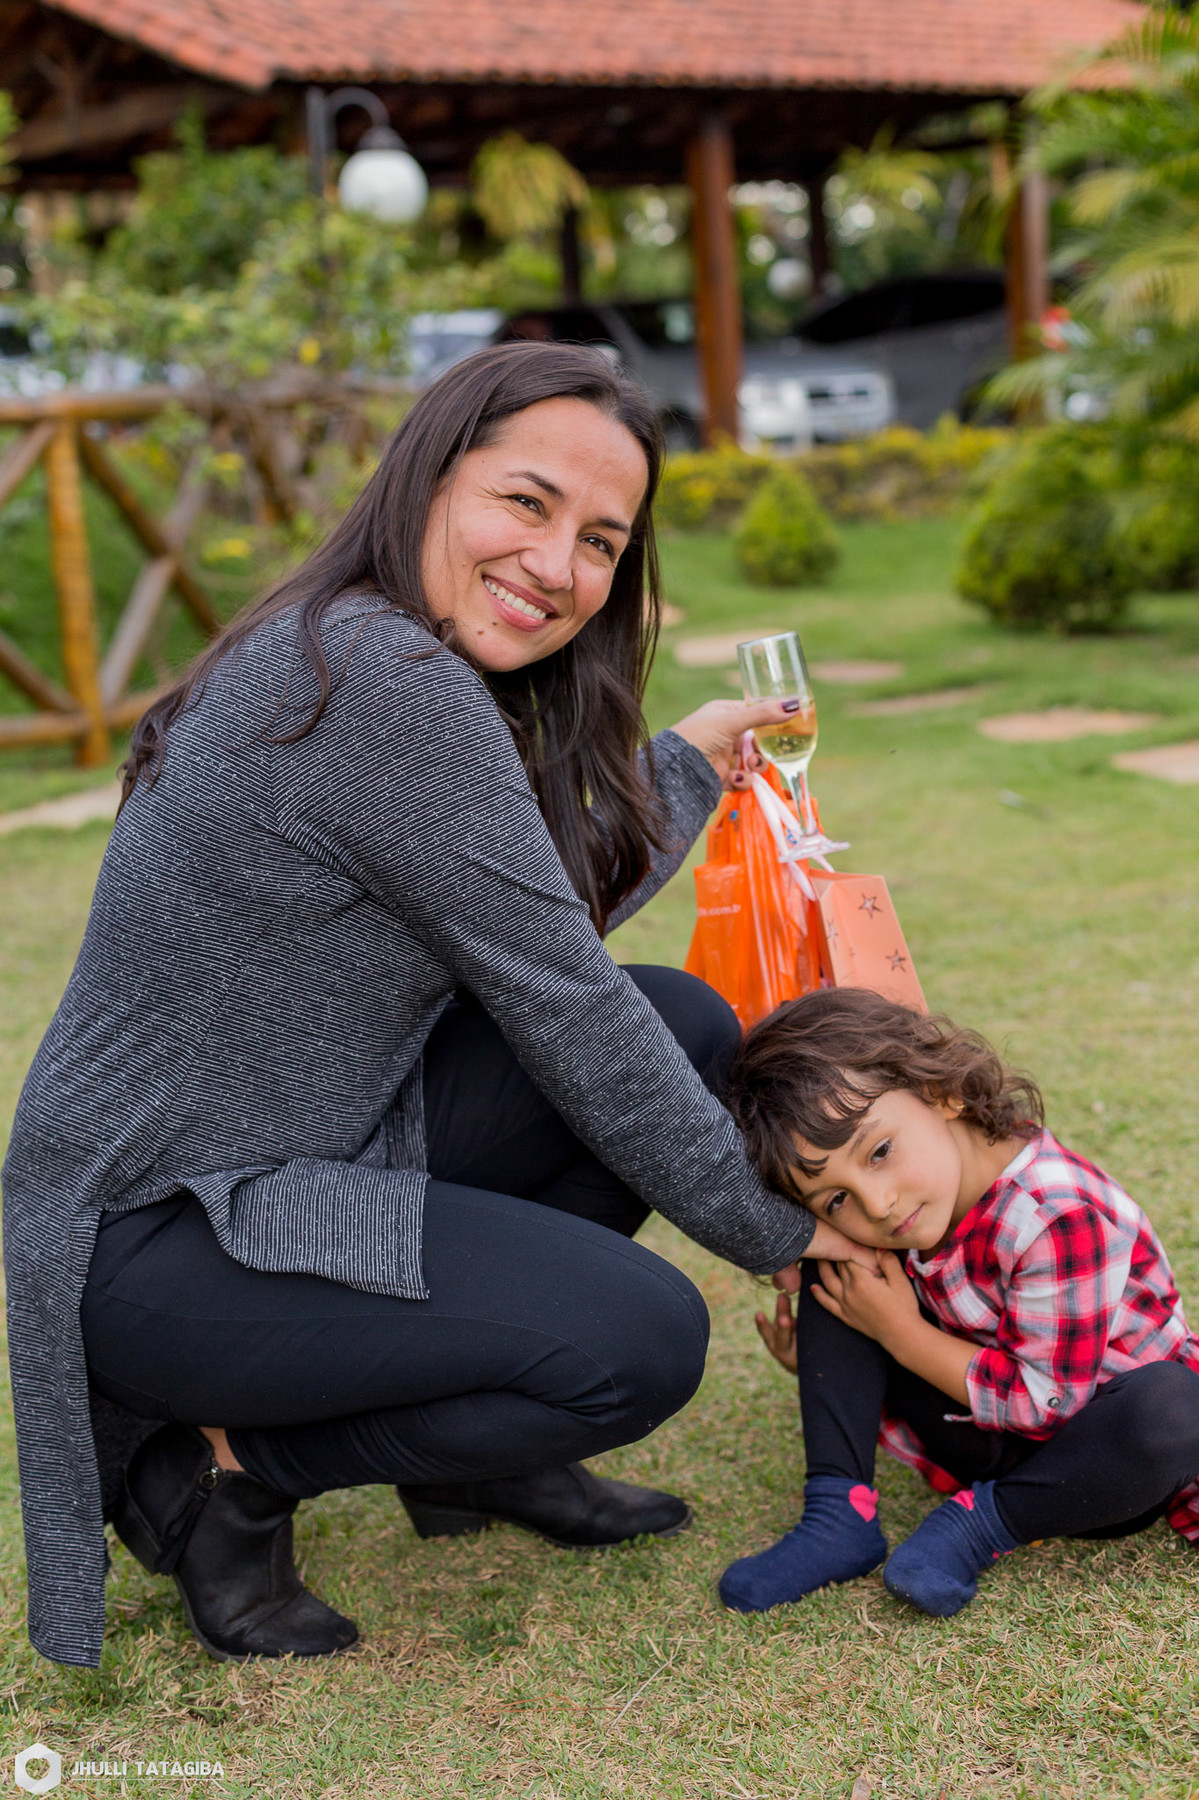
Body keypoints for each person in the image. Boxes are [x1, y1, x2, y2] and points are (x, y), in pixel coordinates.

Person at [2, 343, 866, 1671]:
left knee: (685, 1025)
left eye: (598, 539)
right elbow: (560, 999)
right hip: (154, 1234)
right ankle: (228, 1472)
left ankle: (478, 1467)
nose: (559, 566)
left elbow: (522, 913)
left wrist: (685, 759)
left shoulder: (372, 646)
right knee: (636, 1341)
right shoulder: (377, 675)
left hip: (297, 1156)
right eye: (522, 504)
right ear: (422, 480)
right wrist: (781, 1236)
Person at [715, 987, 1199, 1618]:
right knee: (839, 1261)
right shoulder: (914, 1206)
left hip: (1088, 1461)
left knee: (1177, 1408)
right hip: (973, 1423)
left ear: (942, 1092)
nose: (878, 1204)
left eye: (879, 1151)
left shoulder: (1057, 1213)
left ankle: (984, 1525)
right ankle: (840, 1515)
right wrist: (836, 1367)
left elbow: (1046, 1403)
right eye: (835, 1197)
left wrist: (898, 1337)